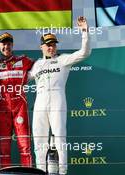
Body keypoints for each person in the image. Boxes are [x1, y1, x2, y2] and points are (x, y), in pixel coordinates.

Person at [29, 16, 91, 174]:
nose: (51, 48)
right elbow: (20, 80)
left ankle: (62, 172)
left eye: (53, 45)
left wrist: (84, 31)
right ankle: (41, 171)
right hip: (40, 103)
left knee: (59, 138)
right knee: (39, 140)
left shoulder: (63, 60)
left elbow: (85, 52)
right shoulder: (36, 65)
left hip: (57, 101)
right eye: (48, 45)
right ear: (41, 47)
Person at [0, 32, 33, 168]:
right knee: (3, 150)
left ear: (12, 45)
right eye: (3, 44)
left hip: (20, 108)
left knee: (25, 146)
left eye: (9, 43)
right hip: (2, 109)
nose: (6, 46)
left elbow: (41, 66)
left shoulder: (23, 60)